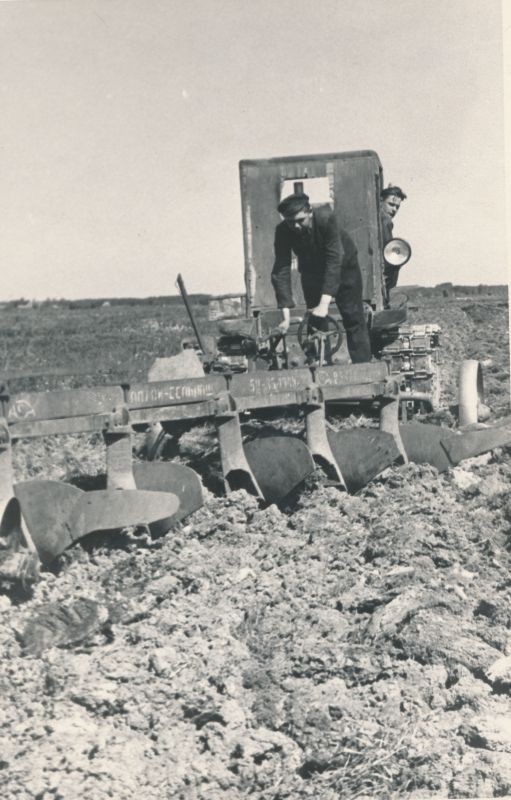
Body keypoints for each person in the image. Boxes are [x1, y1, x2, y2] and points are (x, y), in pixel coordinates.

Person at [271, 193, 372, 364]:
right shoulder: (282, 231)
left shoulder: (326, 218)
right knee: (315, 320)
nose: (295, 226)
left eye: (300, 220)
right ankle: (321, 365)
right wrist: (286, 317)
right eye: (290, 222)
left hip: (344, 266)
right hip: (312, 271)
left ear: (310, 212)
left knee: (353, 317)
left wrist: (324, 304)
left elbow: (334, 261)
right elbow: (281, 269)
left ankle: (363, 365)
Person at [380, 185, 407, 292]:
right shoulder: (385, 221)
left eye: (397, 207)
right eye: (391, 204)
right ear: (380, 201)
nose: (394, 209)